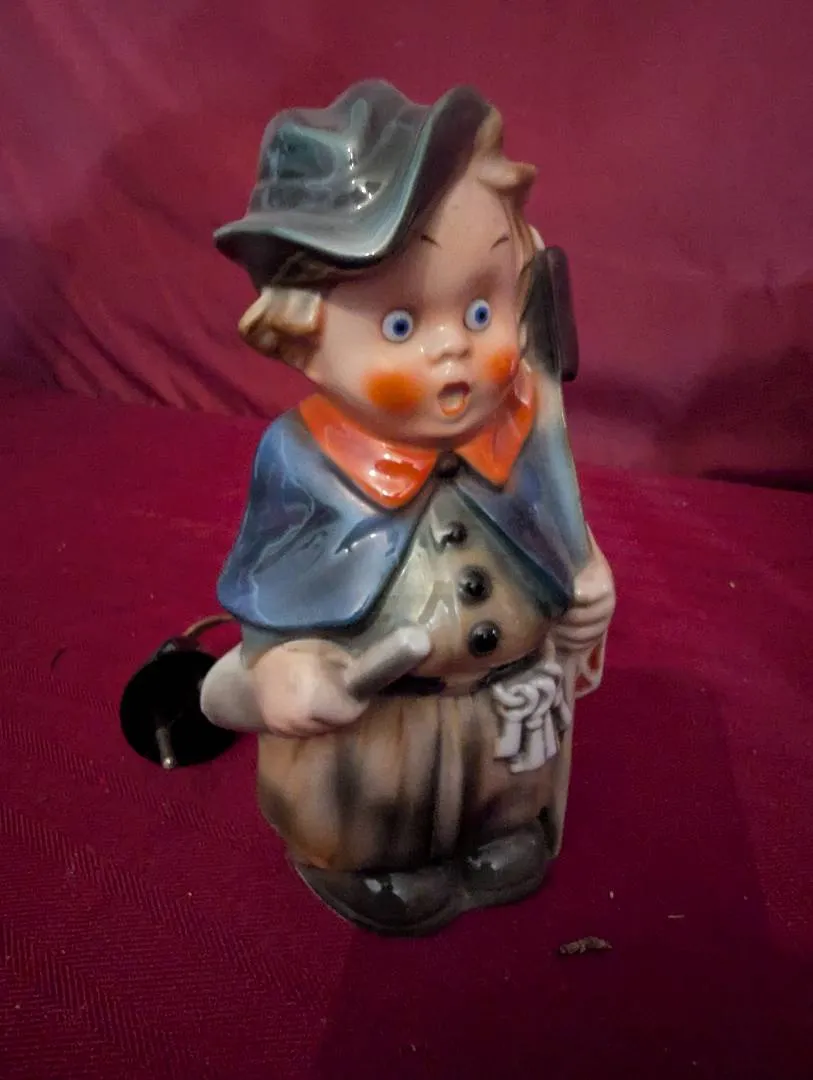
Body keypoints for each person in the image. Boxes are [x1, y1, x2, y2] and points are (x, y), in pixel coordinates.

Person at [201, 80, 615, 935]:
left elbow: (554, 525)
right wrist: (281, 669)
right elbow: (271, 598)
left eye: (480, 308)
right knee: (370, 800)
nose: (454, 346)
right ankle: (369, 863)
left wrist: (585, 580)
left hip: (502, 704)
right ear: (302, 337)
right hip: (378, 729)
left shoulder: (522, 431)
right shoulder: (303, 461)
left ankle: (499, 832)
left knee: (505, 781)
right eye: (399, 325)